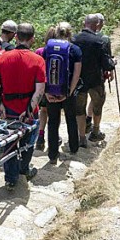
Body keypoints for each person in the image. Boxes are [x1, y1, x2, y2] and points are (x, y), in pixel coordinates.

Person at [0, 23, 45, 191]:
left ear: (16, 37)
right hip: (28, 110)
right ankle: (24, 169)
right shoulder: (38, 60)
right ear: (32, 39)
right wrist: (29, 110)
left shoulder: (4, 57)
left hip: (8, 109)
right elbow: (39, 90)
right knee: (29, 142)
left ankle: (10, 179)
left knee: (9, 143)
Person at [42, 22, 82, 163]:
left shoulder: (47, 49)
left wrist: (46, 92)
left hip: (51, 91)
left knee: (53, 122)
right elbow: (76, 74)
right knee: (71, 119)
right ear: (70, 33)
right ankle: (74, 148)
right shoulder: (75, 49)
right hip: (67, 92)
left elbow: (43, 71)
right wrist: (69, 92)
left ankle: (52, 155)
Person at [75, 13, 115, 147]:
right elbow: (107, 65)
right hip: (95, 81)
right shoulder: (99, 41)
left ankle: (81, 138)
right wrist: (113, 63)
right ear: (97, 25)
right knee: (97, 106)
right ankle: (95, 132)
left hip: (78, 81)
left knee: (80, 110)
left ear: (84, 23)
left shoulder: (74, 39)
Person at [34, 25, 58, 152]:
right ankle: (54, 138)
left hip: (42, 85)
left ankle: (40, 135)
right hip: (56, 86)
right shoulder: (61, 51)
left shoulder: (39, 51)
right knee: (55, 113)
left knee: (43, 110)